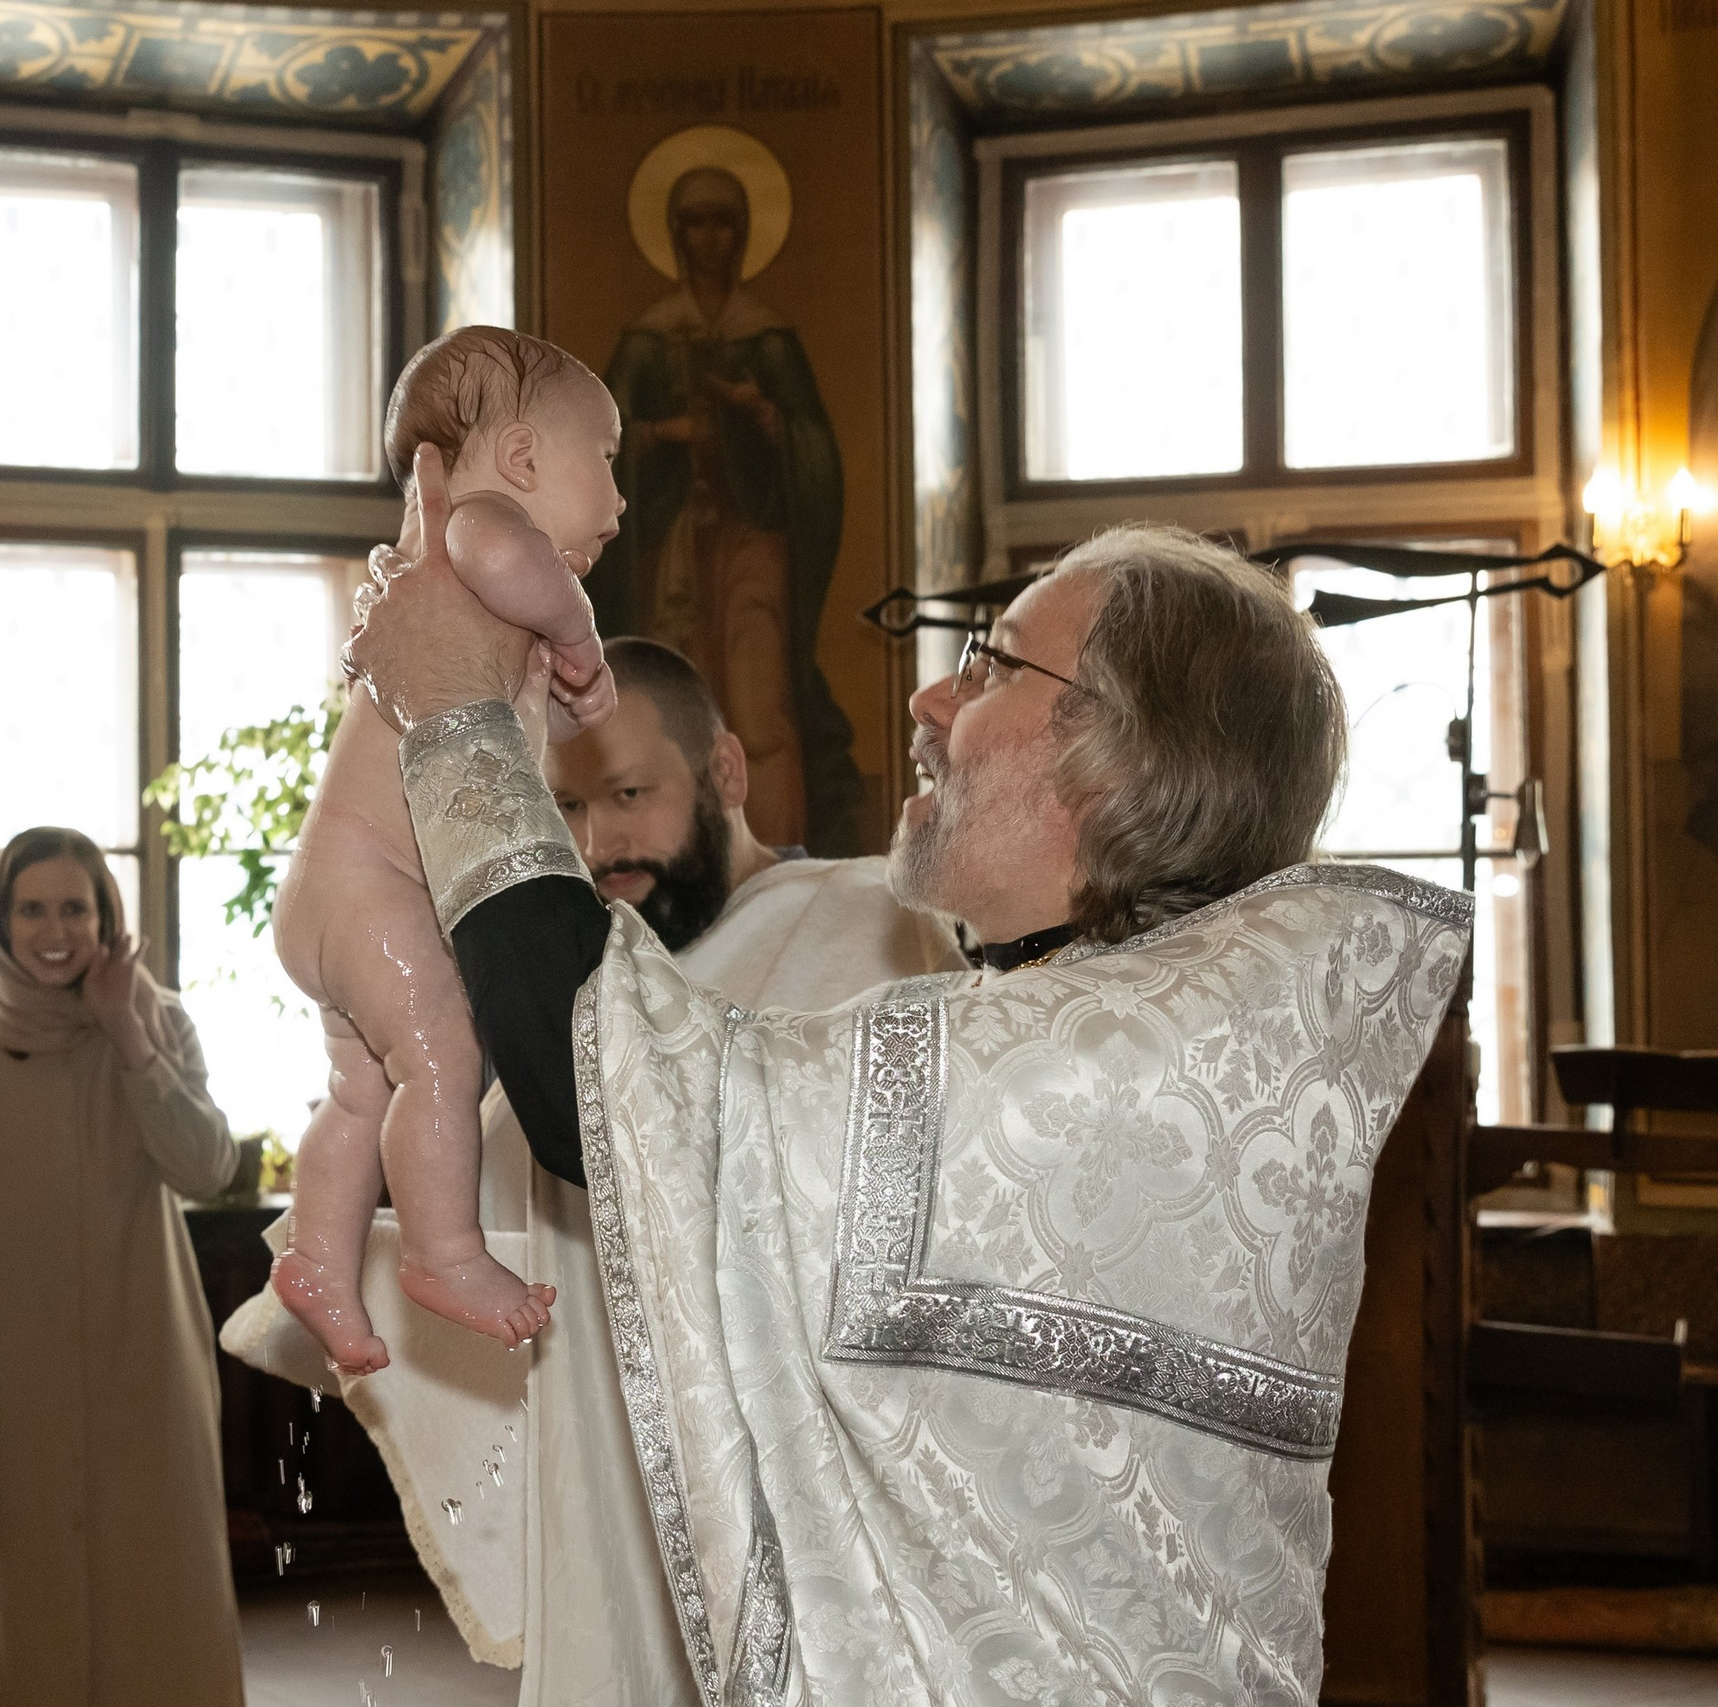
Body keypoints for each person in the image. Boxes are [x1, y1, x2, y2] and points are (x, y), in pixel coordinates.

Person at [347, 479, 1471, 1705]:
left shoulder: (1106, 1071)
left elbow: (602, 1084)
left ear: (1114, 752)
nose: (927, 700)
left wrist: (457, 712)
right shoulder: (1118, 1018)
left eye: (987, 669)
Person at [509, 637, 962, 1701]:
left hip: (821, 1486)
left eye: (628, 793)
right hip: (625, 1474)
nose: (601, 841)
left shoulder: (870, 920)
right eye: (567, 811)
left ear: (723, 773)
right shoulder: (597, 994)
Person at [267, 326, 618, 1375]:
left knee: (362, 1091)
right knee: (443, 1057)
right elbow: (509, 557)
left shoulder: (447, 576)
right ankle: (444, 1252)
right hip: (375, 889)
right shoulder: (483, 530)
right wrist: (580, 634)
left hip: (333, 893)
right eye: (604, 460)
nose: (618, 497)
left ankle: (317, 1258)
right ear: (518, 462)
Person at [0, 827, 243, 1707]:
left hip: (149, 1374)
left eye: (75, 908)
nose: (54, 929)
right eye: (33, 907)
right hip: (11, 1392)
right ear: (1, 922)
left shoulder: (157, 1024)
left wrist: (128, 1033)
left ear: (107, 919)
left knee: (167, 1604)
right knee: (30, 1619)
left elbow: (208, 1168)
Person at [600, 162, 858, 852]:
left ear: (742, 234)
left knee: (759, 699)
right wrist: (663, 435)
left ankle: (771, 859)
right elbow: (599, 444)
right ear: (676, 235)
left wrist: (764, 417)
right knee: (673, 699)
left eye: (723, 223)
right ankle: (681, 854)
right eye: (694, 223)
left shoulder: (767, 336)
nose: (709, 239)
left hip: (753, 545)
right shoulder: (648, 339)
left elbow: (816, 456)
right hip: (673, 548)